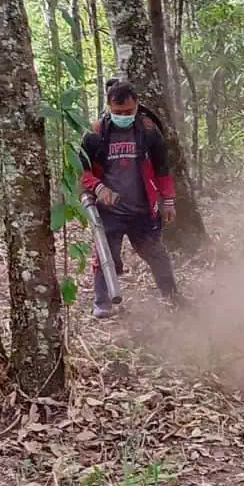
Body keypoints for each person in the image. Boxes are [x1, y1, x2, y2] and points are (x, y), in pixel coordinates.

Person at [80, 80, 180, 318]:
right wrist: (98, 187)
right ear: (108, 106)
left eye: (128, 112)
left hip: (141, 210)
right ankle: (102, 303)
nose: (123, 116)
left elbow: (162, 169)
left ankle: (172, 296)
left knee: (156, 254)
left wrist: (168, 201)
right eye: (118, 112)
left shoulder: (147, 131)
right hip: (109, 210)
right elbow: (81, 171)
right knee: (105, 256)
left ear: (136, 106)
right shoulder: (95, 134)